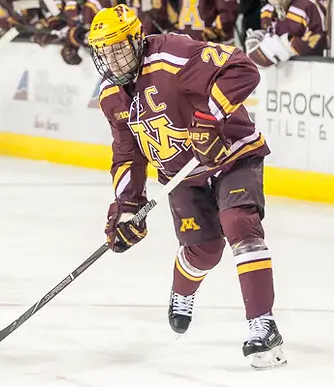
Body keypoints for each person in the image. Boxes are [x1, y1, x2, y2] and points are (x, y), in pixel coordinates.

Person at [89, 4, 285, 369]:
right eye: (106, 53)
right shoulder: (110, 95)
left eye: (119, 48)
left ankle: (263, 324)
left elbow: (242, 68)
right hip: (182, 174)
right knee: (205, 251)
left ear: (137, 39)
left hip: (232, 153)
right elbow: (128, 153)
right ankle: (182, 291)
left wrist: (209, 117)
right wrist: (126, 206)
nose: (114, 61)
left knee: (240, 224)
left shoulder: (171, 55)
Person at [244, 0, 327, 67]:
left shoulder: (308, 6)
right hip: (281, 76)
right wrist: (261, 42)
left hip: (308, 72)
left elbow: (319, 43)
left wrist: (288, 44)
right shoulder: (266, 11)